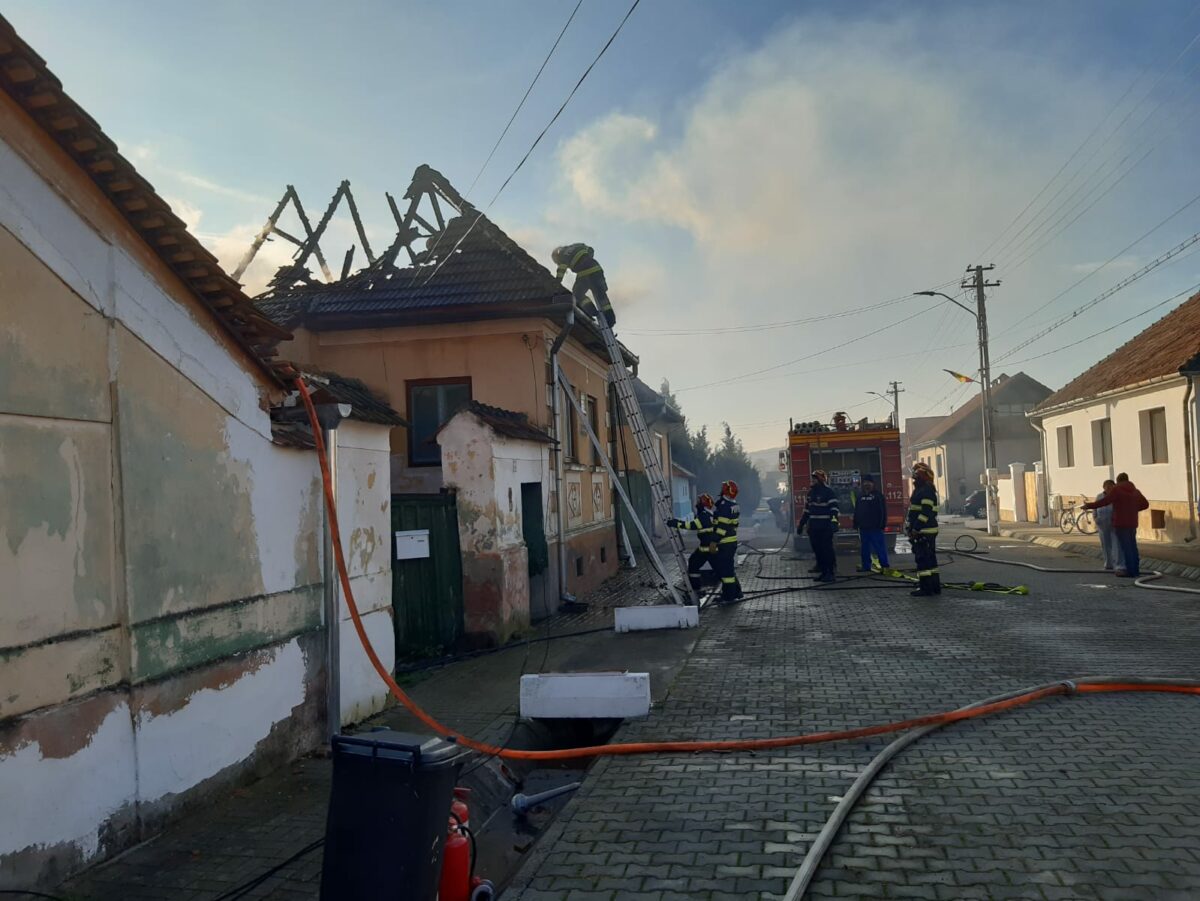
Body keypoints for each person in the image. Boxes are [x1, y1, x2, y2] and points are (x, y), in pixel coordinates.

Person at [1085, 472, 1149, 577]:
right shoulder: (1135, 491)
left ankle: (1129, 571)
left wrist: (1089, 506)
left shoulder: (1117, 490)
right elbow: (1145, 504)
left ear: (1118, 481)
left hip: (1120, 522)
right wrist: (1133, 510)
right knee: (1133, 546)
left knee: (1125, 547)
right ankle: (1135, 570)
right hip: (1132, 522)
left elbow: (1105, 501)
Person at [551, 243, 616, 327]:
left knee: (577, 294)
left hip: (584, 274)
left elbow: (561, 270)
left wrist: (557, 283)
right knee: (601, 295)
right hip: (596, 269)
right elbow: (591, 250)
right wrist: (587, 260)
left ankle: (592, 311)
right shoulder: (578, 245)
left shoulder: (562, 256)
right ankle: (610, 319)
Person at [667, 493, 718, 594]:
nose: (696, 504)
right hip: (711, 547)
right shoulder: (711, 514)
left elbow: (691, 525)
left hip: (706, 549)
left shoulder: (704, 515)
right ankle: (730, 589)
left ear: (703, 504)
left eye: (698, 502)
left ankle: (695, 586)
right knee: (719, 568)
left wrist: (675, 523)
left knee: (694, 564)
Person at [797, 469, 840, 583]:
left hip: (825, 527)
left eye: (814, 479)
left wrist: (834, 523)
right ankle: (823, 572)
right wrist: (801, 524)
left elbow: (834, 509)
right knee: (818, 551)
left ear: (820, 479)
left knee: (827, 551)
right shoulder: (811, 494)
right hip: (814, 528)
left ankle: (830, 573)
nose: (812, 481)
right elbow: (806, 511)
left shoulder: (828, 492)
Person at [907, 461, 941, 597]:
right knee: (931, 560)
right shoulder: (926, 488)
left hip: (923, 531)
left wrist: (915, 528)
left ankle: (926, 588)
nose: (914, 478)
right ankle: (934, 587)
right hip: (927, 530)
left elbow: (925, 512)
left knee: (923, 561)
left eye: (916, 476)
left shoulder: (925, 490)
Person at [712, 480, 744, 603]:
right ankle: (736, 592)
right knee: (728, 569)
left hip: (724, 543)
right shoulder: (733, 505)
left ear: (725, 491)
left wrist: (714, 541)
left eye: (723, 488)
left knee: (726, 573)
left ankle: (729, 596)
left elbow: (722, 527)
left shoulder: (725, 506)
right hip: (730, 542)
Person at [853, 474, 889, 572]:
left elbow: (883, 511)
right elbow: (857, 511)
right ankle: (866, 566)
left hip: (876, 527)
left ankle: (884, 566)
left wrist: (882, 524)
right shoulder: (860, 496)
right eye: (865, 482)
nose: (866, 484)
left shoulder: (878, 496)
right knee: (865, 549)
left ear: (873, 484)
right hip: (863, 528)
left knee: (879, 547)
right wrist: (855, 523)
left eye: (869, 482)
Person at [1093, 479, 1125, 573]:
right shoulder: (1099, 496)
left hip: (1114, 524)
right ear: (1104, 488)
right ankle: (1108, 563)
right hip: (1102, 524)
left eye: (1110, 487)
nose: (1108, 489)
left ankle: (1117, 564)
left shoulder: (1116, 496)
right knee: (1105, 544)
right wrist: (1096, 518)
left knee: (1116, 544)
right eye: (1107, 487)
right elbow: (1095, 507)